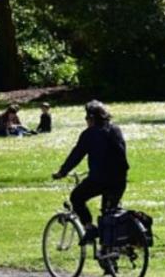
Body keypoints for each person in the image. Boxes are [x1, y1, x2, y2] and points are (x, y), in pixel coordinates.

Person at [52, 100, 129, 245]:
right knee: (109, 214)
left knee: (76, 197)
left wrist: (62, 172)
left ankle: (89, 227)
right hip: (119, 179)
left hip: (99, 179)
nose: (86, 121)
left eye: (86, 118)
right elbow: (121, 153)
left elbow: (76, 155)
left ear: (92, 118)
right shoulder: (115, 130)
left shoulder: (89, 134)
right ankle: (111, 254)